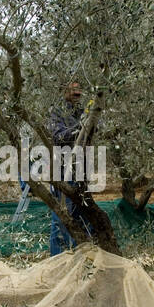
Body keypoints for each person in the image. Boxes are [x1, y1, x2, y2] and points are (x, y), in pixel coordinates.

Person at [47, 81, 94, 255]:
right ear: (64, 90)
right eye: (73, 88)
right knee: (62, 214)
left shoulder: (81, 111)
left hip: (80, 169)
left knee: (80, 211)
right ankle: (58, 258)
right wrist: (79, 128)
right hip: (62, 169)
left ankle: (79, 255)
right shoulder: (57, 112)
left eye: (79, 88)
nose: (77, 91)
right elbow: (58, 136)